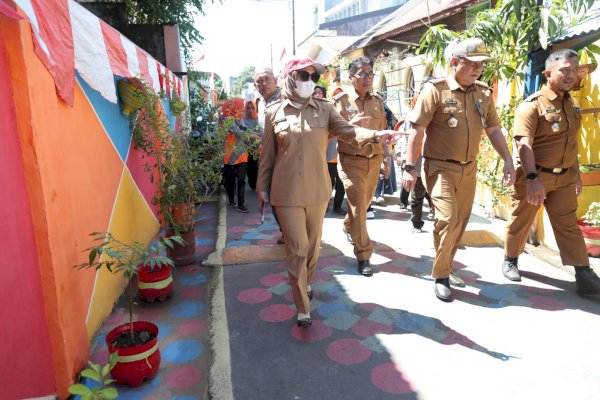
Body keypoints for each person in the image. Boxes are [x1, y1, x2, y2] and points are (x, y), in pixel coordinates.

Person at [257, 56, 397, 327]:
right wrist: (262, 186)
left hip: (319, 189)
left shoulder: (325, 109)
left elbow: (346, 131)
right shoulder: (273, 112)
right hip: (286, 193)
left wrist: (375, 136)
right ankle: (302, 306)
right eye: (303, 76)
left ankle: (306, 282)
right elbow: (268, 156)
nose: (309, 82)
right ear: (289, 77)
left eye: (313, 77)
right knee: (297, 248)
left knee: (312, 247)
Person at [402, 38, 515, 301]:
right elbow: (416, 131)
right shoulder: (436, 91)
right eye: (472, 64)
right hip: (440, 167)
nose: (478, 70)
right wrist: (410, 167)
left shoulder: (483, 94)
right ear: (455, 62)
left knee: (459, 223)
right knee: (446, 218)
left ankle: (447, 265)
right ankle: (441, 275)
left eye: (481, 65)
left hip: (469, 169)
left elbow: (494, 130)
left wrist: (508, 160)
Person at [502, 48, 600, 295]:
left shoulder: (571, 104)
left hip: (564, 177)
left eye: (574, 71)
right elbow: (523, 144)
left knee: (568, 225)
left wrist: (576, 173)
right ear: (548, 73)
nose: (570, 75)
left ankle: (583, 273)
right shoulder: (531, 106)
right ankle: (510, 259)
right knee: (521, 221)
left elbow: (571, 142)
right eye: (564, 70)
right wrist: (533, 178)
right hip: (536, 176)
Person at [333, 56, 386, 276]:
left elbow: (382, 133)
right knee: (358, 207)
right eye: (361, 73)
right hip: (351, 160)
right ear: (351, 77)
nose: (366, 78)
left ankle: (348, 225)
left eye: (370, 73)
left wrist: (386, 161)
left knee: (363, 204)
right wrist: (349, 126)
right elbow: (334, 131)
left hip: (374, 160)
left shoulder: (377, 101)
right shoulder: (341, 102)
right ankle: (364, 254)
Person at [254, 67, 285, 244]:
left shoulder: (285, 100)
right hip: (270, 158)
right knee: (274, 200)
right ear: (255, 85)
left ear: (275, 79)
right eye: (259, 81)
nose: (263, 83)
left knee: (280, 201)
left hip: (285, 159)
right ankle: (286, 232)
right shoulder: (261, 103)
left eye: (267, 79)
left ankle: (291, 235)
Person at [319, 86, 347, 215]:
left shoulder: (347, 111)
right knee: (328, 182)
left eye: (341, 95)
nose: (339, 98)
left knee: (342, 183)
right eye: (336, 95)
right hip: (328, 155)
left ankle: (337, 207)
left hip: (342, 155)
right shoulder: (327, 110)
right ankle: (324, 206)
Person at [222, 98, 250, 213]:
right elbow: (238, 133)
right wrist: (250, 134)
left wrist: (249, 135)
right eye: (241, 106)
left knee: (242, 180)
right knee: (230, 180)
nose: (243, 109)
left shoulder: (241, 120)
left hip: (242, 153)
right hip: (230, 154)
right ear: (235, 107)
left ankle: (241, 204)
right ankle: (232, 199)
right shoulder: (227, 120)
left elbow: (246, 131)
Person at [243, 100, 262, 191]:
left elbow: (263, 131)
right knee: (251, 169)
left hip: (260, 148)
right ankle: (253, 184)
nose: (250, 110)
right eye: (248, 108)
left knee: (260, 168)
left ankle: (260, 185)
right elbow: (244, 133)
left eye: (252, 108)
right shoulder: (243, 120)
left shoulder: (260, 119)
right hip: (248, 149)